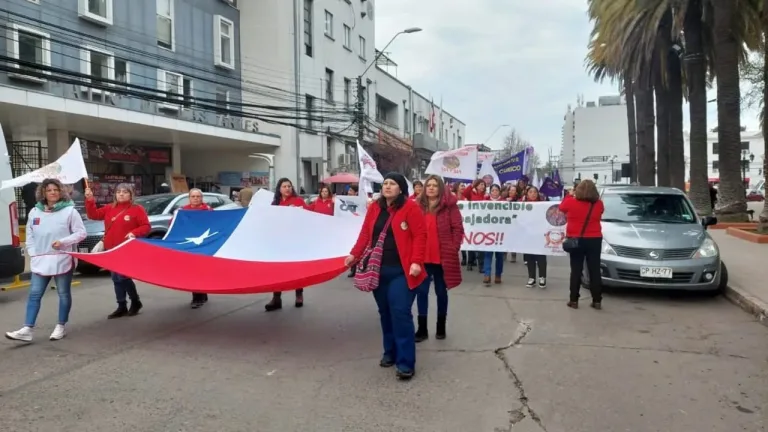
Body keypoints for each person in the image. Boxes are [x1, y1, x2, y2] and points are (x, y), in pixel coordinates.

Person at [345, 172, 426, 380]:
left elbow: (419, 235)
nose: (388, 186)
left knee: (400, 312)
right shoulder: (375, 207)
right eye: (385, 183)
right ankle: (389, 352)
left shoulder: (411, 207)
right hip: (378, 270)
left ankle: (406, 362)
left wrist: (416, 261)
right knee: (385, 312)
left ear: (400, 188)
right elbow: (365, 234)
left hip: (403, 271)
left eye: (392, 184)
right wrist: (354, 254)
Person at [5, 179, 87, 342]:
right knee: (34, 294)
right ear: (43, 193)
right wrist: (33, 252)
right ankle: (27, 328)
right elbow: (29, 234)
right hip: (40, 260)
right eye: (49, 190)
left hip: (62, 258)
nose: (53, 192)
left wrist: (63, 242)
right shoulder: (35, 212)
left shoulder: (70, 211)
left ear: (61, 191)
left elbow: (81, 233)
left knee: (63, 293)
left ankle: (60, 326)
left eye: (56, 189)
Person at [85, 183, 151, 318]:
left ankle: (135, 301)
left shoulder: (137, 209)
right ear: (115, 194)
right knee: (116, 278)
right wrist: (90, 200)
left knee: (123, 276)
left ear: (131, 194)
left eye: (125, 192)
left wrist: (134, 232)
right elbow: (93, 215)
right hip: (111, 248)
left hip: (126, 248)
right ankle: (121, 305)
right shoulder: (110, 208)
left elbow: (146, 226)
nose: (121, 194)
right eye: (118, 192)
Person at [414, 175, 463, 342]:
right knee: (421, 293)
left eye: (435, 185)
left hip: (442, 258)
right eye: (429, 185)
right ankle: (422, 329)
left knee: (441, 293)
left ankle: (440, 327)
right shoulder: (417, 206)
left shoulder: (450, 207)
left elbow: (458, 229)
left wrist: (453, 247)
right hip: (422, 258)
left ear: (440, 188)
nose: (431, 188)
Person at [265, 178, 310, 311]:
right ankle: (276, 298)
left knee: (296, 268)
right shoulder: (275, 203)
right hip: (279, 241)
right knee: (277, 270)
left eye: (289, 186)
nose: (287, 188)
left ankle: (299, 294)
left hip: (295, 240)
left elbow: (309, 216)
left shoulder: (298, 201)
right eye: (284, 186)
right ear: (279, 189)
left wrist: (298, 211)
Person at [559, 179, 604, 310]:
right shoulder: (599, 204)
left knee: (576, 270)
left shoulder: (571, 202)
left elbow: (562, 207)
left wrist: (569, 194)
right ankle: (597, 300)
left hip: (576, 239)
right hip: (595, 239)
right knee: (594, 270)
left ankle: (574, 300)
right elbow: (600, 213)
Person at [178, 188, 213, 308]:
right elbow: (174, 225)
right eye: (193, 196)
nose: (195, 198)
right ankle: (197, 297)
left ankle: (201, 295)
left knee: (202, 271)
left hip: (204, 245)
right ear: (189, 198)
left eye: (198, 196)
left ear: (201, 198)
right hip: (190, 246)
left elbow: (215, 225)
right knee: (193, 271)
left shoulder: (208, 211)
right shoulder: (183, 211)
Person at [522, 186, 548, 288]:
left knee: (541, 256)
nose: (533, 194)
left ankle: (542, 277)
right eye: (530, 192)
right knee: (529, 257)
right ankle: (531, 277)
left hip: (540, 235)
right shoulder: (523, 206)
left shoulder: (543, 205)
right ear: (527, 194)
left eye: (534, 192)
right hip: (527, 235)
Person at [482, 184, 506, 286]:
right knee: (488, 255)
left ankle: (498, 275)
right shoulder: (485, 202)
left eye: (496, 190)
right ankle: (487, 275)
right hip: (489, 232)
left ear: (499, 192)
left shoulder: (504, 202)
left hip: (501, 233)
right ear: (490, 192)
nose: (495, 192)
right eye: (493, 190)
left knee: (499, 256)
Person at [462, 179, 487, 271]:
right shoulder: (471, 194)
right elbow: (465, 193)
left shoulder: (486, 196)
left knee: (481, 244)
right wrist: (471, 185)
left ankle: (481, 265)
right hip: (472, 222)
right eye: (480, 184)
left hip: (483, 222)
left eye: (483, 185)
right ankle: (470, 262)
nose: (482, 186)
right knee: (471, 243)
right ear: (476, 185)